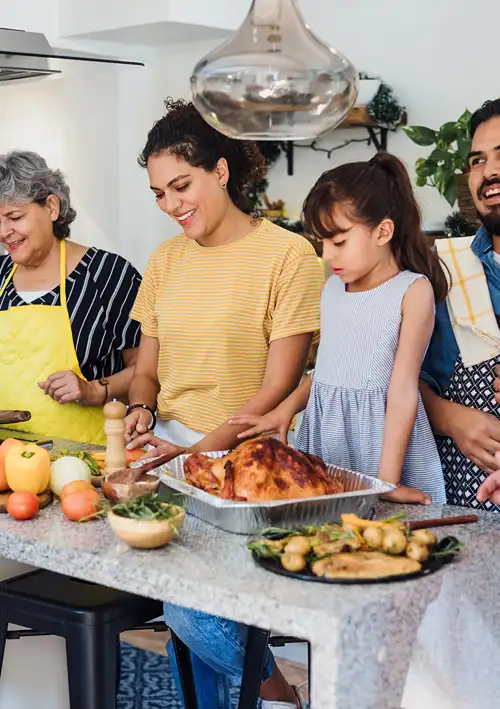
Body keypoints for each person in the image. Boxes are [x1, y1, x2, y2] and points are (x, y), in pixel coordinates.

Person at [126, 98, 324, 708]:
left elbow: (275, 389)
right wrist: (139, 409)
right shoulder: (164, 261)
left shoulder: (288, 257)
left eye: (180, 185)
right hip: (168, 450)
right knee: (186, 605)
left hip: (248, 463)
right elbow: (147, 370)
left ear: (220, 170)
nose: (170, 204)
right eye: (159, 192)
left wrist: (194, 458)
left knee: (188, 612)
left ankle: (285, 698)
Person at [230, 152, 448, 505]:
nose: (328, 254)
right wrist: (286, 409)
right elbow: (328, 369)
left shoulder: (412, 291)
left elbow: (404, 390)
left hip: (381, 448)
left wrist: (386, 481)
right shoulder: (332, 288)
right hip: (325, 440)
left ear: (383, 231)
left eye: (339, 241)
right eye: (322, 242)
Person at [0, 151, 141, 445]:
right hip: (7, 460)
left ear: (51, 207)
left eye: (14, 217)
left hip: (90, 459)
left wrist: (92, 389)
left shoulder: (109, 274)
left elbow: (149, 371)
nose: (4, 233)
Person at [418, 99, 500, 510]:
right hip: (463, 516)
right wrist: (452, 418)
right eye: (477, 161)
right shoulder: (445, 271)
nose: (489, 172)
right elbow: (397, 382)